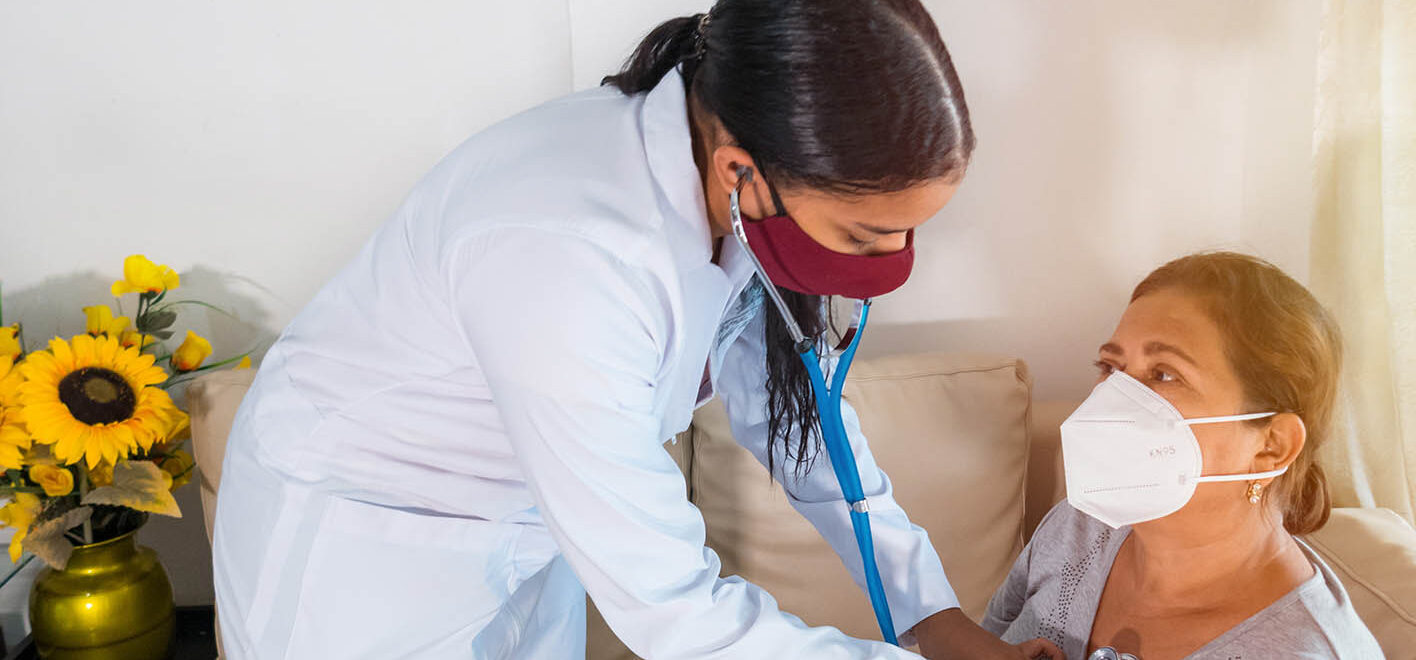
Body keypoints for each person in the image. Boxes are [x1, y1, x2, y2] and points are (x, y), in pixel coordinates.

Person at [212, 1, 1060, 658]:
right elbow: (678, 614)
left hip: (522, 534)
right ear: (743, 172)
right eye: (865, 236)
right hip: (365, 555)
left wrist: (934, 617)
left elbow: (806, 431)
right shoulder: (569, 258)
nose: (893, 261)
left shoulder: (724, 187)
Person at [983, 252, 1383, 659]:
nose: (1115, 399)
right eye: (1110, 366)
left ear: (1271, 446)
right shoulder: (1078, 528)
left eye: (1164, 374)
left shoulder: (1311, 651)